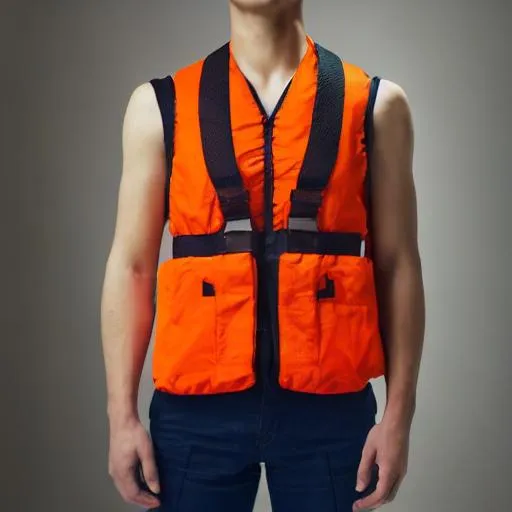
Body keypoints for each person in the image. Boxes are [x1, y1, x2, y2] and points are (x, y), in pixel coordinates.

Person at [100, 0, 425, 510]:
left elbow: (398, 264)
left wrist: (399, 418)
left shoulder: (377, 105)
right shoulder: (159, 105)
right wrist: (121, 419)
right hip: (195, 417)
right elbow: (132, 266)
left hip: (332, 416)